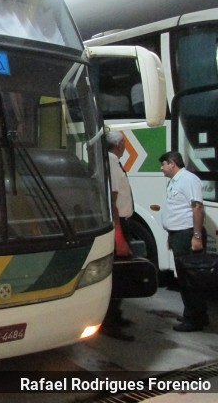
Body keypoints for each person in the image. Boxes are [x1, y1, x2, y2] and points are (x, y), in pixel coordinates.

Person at [158, 150, 208, 332]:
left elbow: (197, 208)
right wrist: (171, 236)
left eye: (163, 164)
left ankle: (193, 319)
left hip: (187, 234)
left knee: (189, 279)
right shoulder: (176, 181)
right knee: (186, 277)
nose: (161, 168)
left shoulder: (188, 179)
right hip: (178, 234)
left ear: (172, 163)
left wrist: (196, 236)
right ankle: (196, 313)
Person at [99, 131, 135, 341]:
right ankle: (110, 322)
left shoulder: (112, 161)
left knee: (120, 275)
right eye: (124, 143)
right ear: (119, 144)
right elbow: (112, 203)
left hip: (120, 223)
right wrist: (119, 237)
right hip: (118, 225)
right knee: (118, 276)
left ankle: (116, 316)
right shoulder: (111, 163)